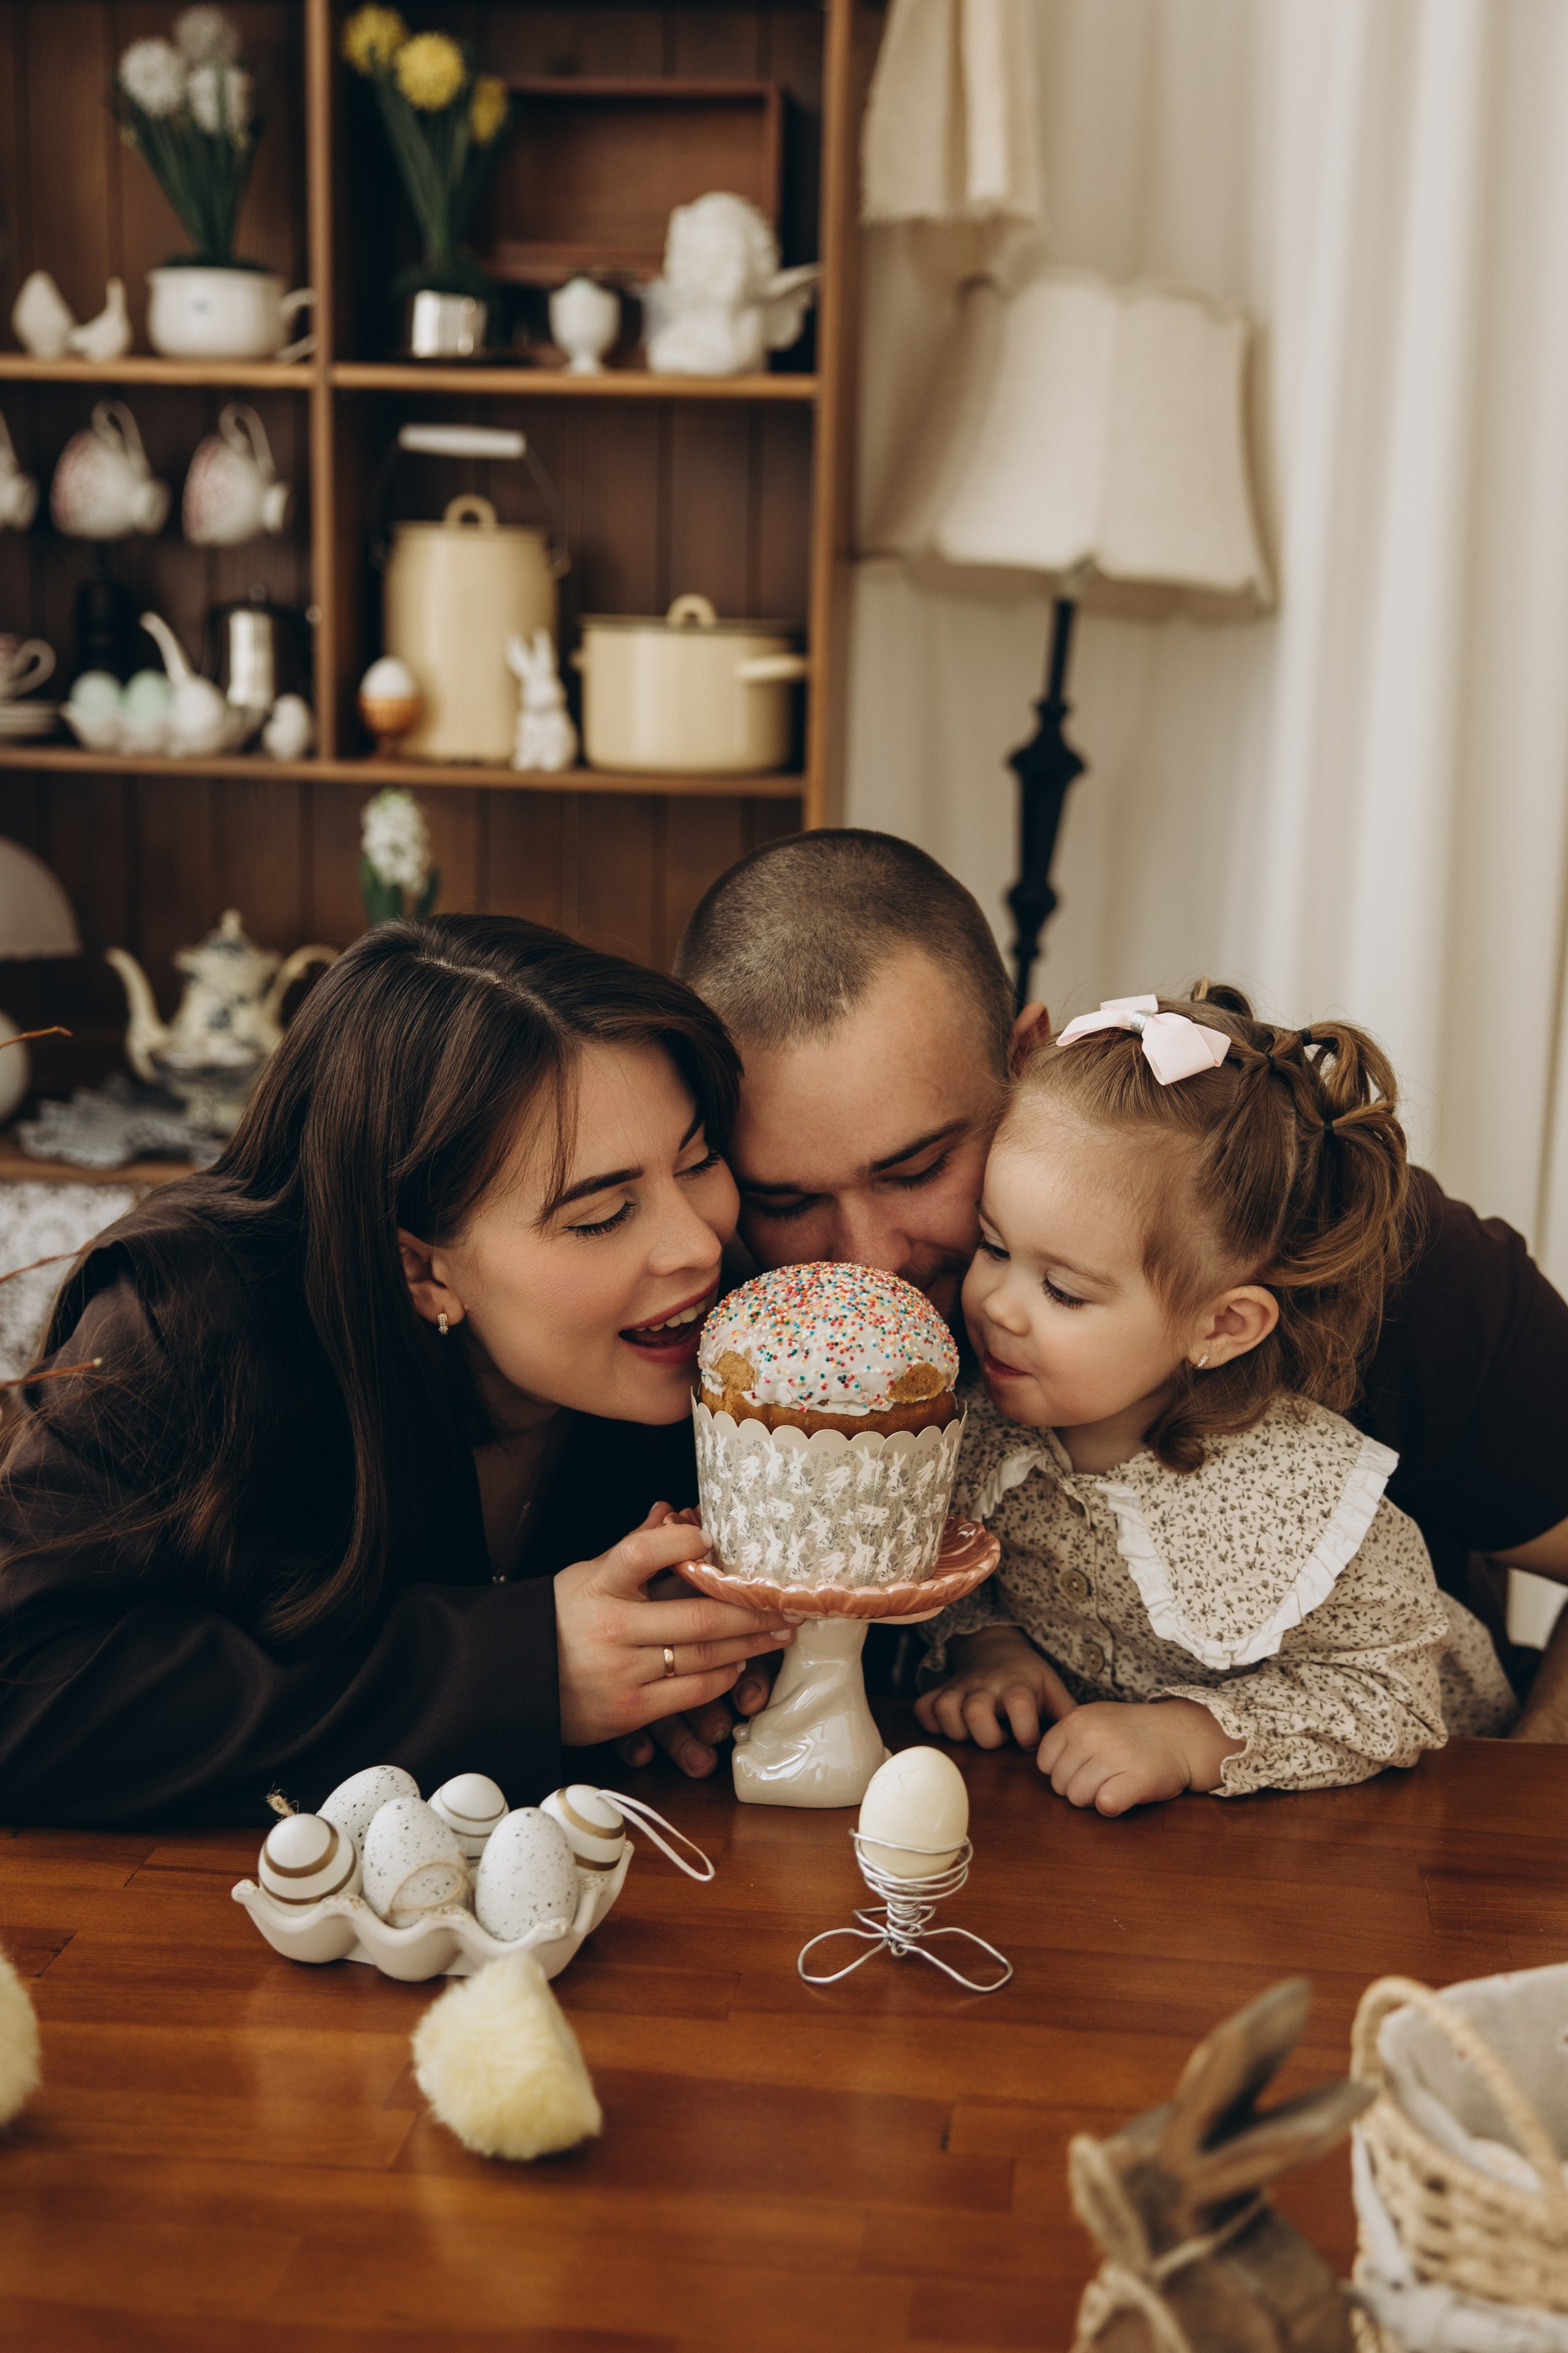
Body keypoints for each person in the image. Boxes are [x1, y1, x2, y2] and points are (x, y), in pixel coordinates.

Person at [630, 829, 1568, 1775]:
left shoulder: (1356, 1248)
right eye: (786, 1201)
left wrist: (1521, 1824)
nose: (871, 1262)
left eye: (917, 1169)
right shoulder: (713, 1324)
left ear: (1026, 1058)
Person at [0, 916, 796, 1826]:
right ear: (422, 1269)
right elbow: (26, 1694)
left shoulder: (741, 1320)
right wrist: (519, 1673)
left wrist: (679, 1661)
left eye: (698, 1161)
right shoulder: (187, 1312)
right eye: (602, 1216)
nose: (698, 1245)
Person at [913, 985, 1515, 1810]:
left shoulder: (1298, 1490)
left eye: (1063, 1290)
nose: (996, 1306)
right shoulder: (977, 1424)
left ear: (1222, 1324)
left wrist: (1193, 1737)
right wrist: (990, 1647)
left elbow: (1396, 1694)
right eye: (992, 1246)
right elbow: (950, 1559)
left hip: (1441, 1819)